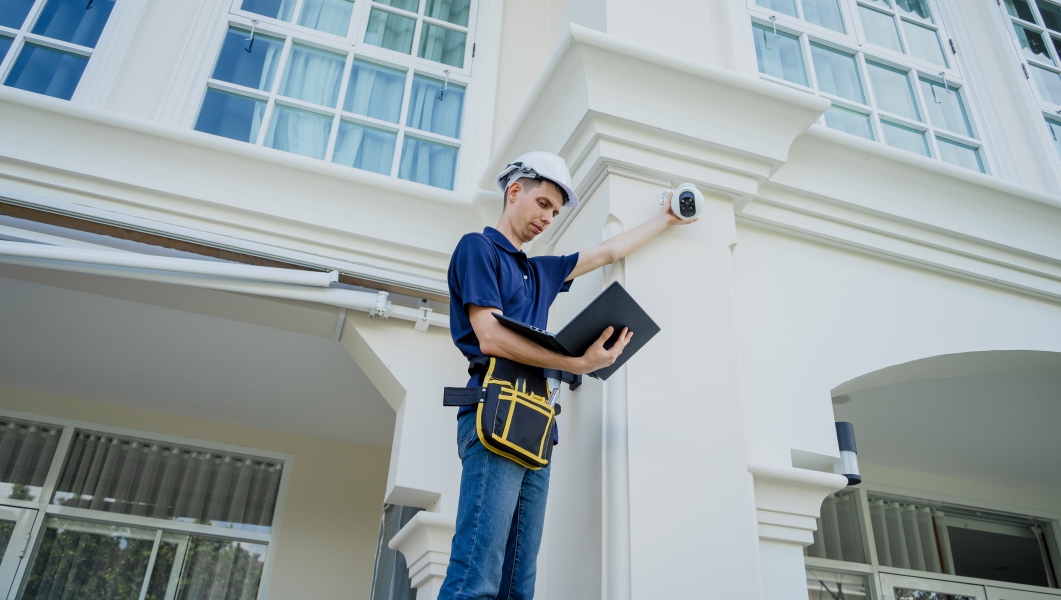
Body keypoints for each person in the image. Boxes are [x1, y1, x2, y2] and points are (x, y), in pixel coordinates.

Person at [440, 151, 695, 600]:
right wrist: (576, 364)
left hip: (537, 423)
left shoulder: (540, 271)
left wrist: (667, 218)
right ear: (514, 191)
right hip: (495, 408)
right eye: (542, 204)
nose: (548, 218)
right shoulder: (477, 249)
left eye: (555, 212)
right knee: (475, 579)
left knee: (518, 586)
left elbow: (610, 251)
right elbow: (490, 337)